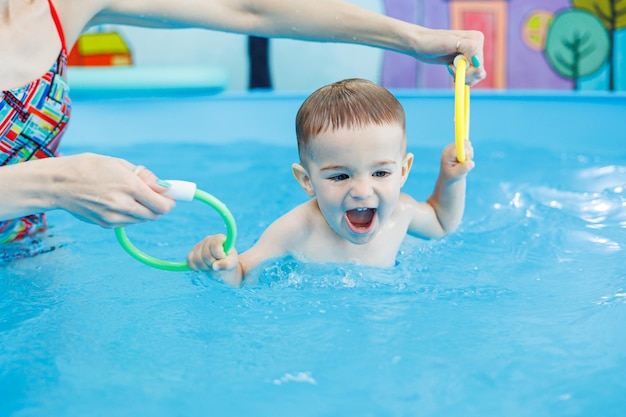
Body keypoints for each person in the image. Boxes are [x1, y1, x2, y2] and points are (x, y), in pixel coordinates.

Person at [0, 0, 485, 245]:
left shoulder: (58, 6)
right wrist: (54, 182)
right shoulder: (295, 229)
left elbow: (247, 7)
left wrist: (415, 38)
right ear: (305, 179)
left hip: (34, 252)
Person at [187, 78, 475, 286]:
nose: (362, 191)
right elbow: (242, 276)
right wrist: (221, 267)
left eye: (380, 173)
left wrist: (451, 180)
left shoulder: (401, 213)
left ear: (403, 170)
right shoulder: (296, 229)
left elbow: (440, 224)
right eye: (340, 176)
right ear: (307, 180)